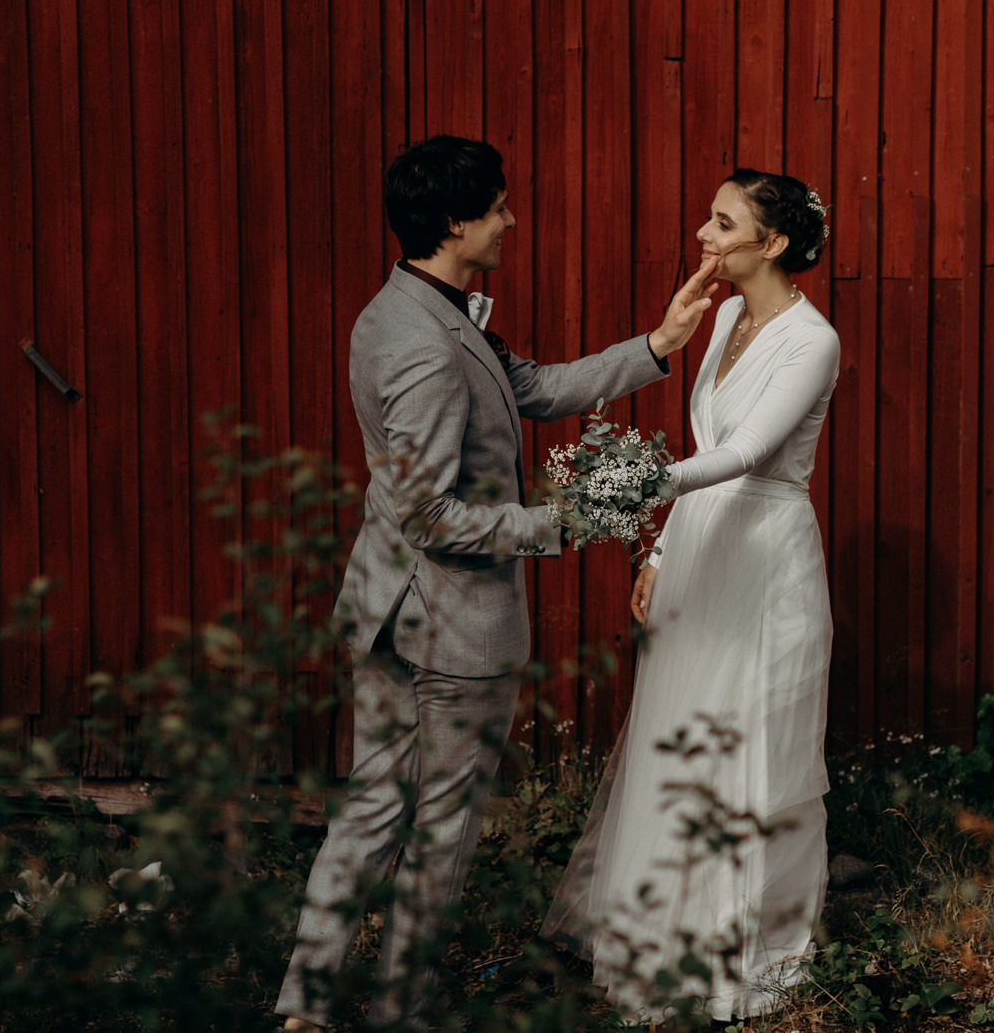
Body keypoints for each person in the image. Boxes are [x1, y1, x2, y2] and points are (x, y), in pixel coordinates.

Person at [277, 135, 719, 1031]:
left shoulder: (405, 309)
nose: (512, 221)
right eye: (500, 207)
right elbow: (431, 515)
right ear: (456, 220)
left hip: (384, 610)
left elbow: (531, 387)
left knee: (368, 812)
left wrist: (659, 344)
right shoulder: (431, 348)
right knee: (440, 830)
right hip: (447, 626)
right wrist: (563, 522)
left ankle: (305, 1007)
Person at [542, 168, 841, 1024]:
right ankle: (659, 938)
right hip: (701, 545)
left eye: (721, 222)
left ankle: (744, 959)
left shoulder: (810, 339)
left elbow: (747, 452)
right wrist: (661, 543)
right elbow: (706, 434)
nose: (704, 236)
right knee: (680, 738)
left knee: (751, 742)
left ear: (772, 242)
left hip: (766, 555)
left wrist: (638, 483)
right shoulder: (724, 319)